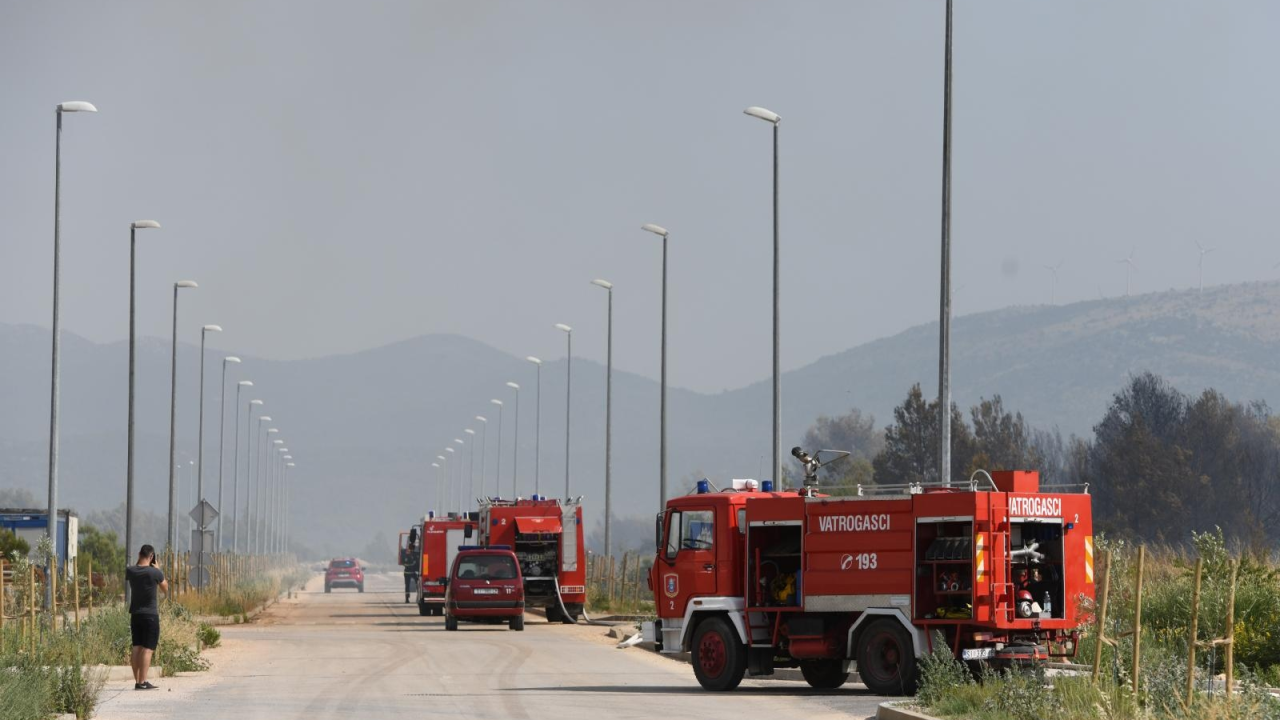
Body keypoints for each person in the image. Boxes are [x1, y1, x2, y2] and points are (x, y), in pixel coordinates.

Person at [125, 544, 169, 690]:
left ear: (139, 554)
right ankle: (143, 682)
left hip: (135, 614)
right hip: (150, 614)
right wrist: (157, 569)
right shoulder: (154, 573)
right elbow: (165, 588)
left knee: (137, 647)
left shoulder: (130, 571)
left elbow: (137, 567)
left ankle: (138, 680)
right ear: (151, 557)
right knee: (148, 649)